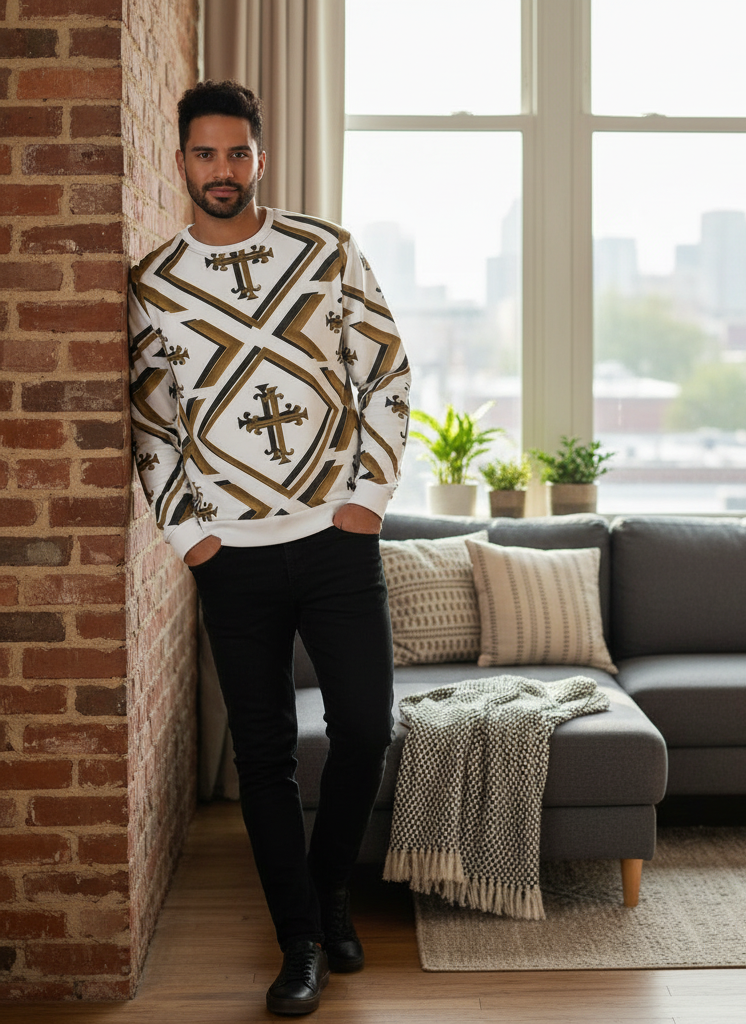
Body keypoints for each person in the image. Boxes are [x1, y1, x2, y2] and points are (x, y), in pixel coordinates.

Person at [127, 80, 411, 1016]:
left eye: (237, 154)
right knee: (265, 756)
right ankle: (299, 942)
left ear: (261, 156)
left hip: (335, 539)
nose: (222, 171)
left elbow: (385, 369)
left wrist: (366, 495)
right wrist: (189, 535)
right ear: (181, 161)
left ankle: (328, 889)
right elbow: (152, 425)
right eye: (205, 155)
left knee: (367, 727)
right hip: (233, 558)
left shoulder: (323, 253)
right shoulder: (153, 285)